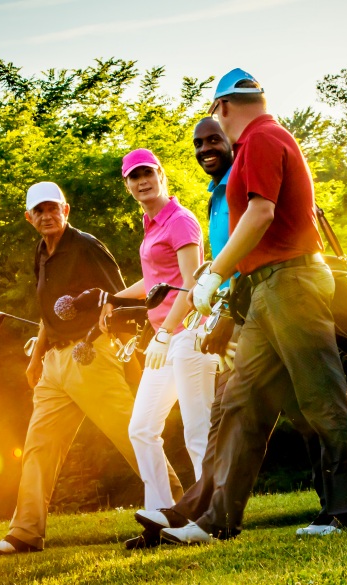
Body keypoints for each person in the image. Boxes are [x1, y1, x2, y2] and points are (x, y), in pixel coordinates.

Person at [162, 69, 347, 544]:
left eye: (217, 114)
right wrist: (221, 272)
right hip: (267, 287)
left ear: (224, 107)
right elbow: (258, 228)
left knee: (321, 397)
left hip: (292, 281)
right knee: (241, 403)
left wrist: (216, 272)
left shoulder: (261, 139)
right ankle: (217, 519)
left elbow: (261, 213)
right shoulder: (264, 138)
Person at [0, 181, 184, 555]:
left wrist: (117, 350)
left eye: (53, 208)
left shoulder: (87, 247)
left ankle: (179, 513)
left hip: (90, 355)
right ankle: (25, 532)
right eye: (39, 211)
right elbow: (46, 313)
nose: (47, 216)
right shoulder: (41, 252)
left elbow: (119, 303)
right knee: (38, 448)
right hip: (55, 365)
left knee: (131, 434)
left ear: (66, 209)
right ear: (29, 218)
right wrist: (35, 358)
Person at [101, 149, 217, 515]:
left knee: (197, 432)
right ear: (127, 185)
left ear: (161, 175)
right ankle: (161, 512)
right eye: (134, 177)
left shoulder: (180, 221)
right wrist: (115, 299)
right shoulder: (152, 224)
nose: (142, 181)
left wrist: (164, 333)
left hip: (191, 334)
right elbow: (156, 281)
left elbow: (190, 283)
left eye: (147, 173)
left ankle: (209, 515)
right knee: (142, 428)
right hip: (168, 339)